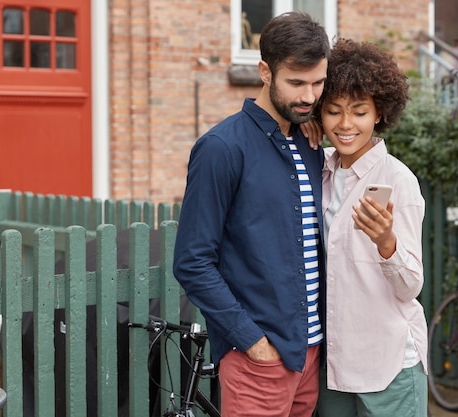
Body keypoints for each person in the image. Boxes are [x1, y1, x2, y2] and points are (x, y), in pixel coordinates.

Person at [172, 12, 330, 417]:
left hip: (311, 356)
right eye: (296, 83)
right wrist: (252, 342)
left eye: (318, 83)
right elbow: (192, 262)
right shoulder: (221, 148)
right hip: (259, 359)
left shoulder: (311, 143)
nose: (309, 96)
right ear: (264, 71)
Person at [313, 38, 429, 417]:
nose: (345, 125)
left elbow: (411, 285)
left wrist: (386, 242)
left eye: (359, 112)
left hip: (388, 365)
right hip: (335, 364)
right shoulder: (322, 171)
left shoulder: (398, 180)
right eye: (332, 112)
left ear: (379, 113)